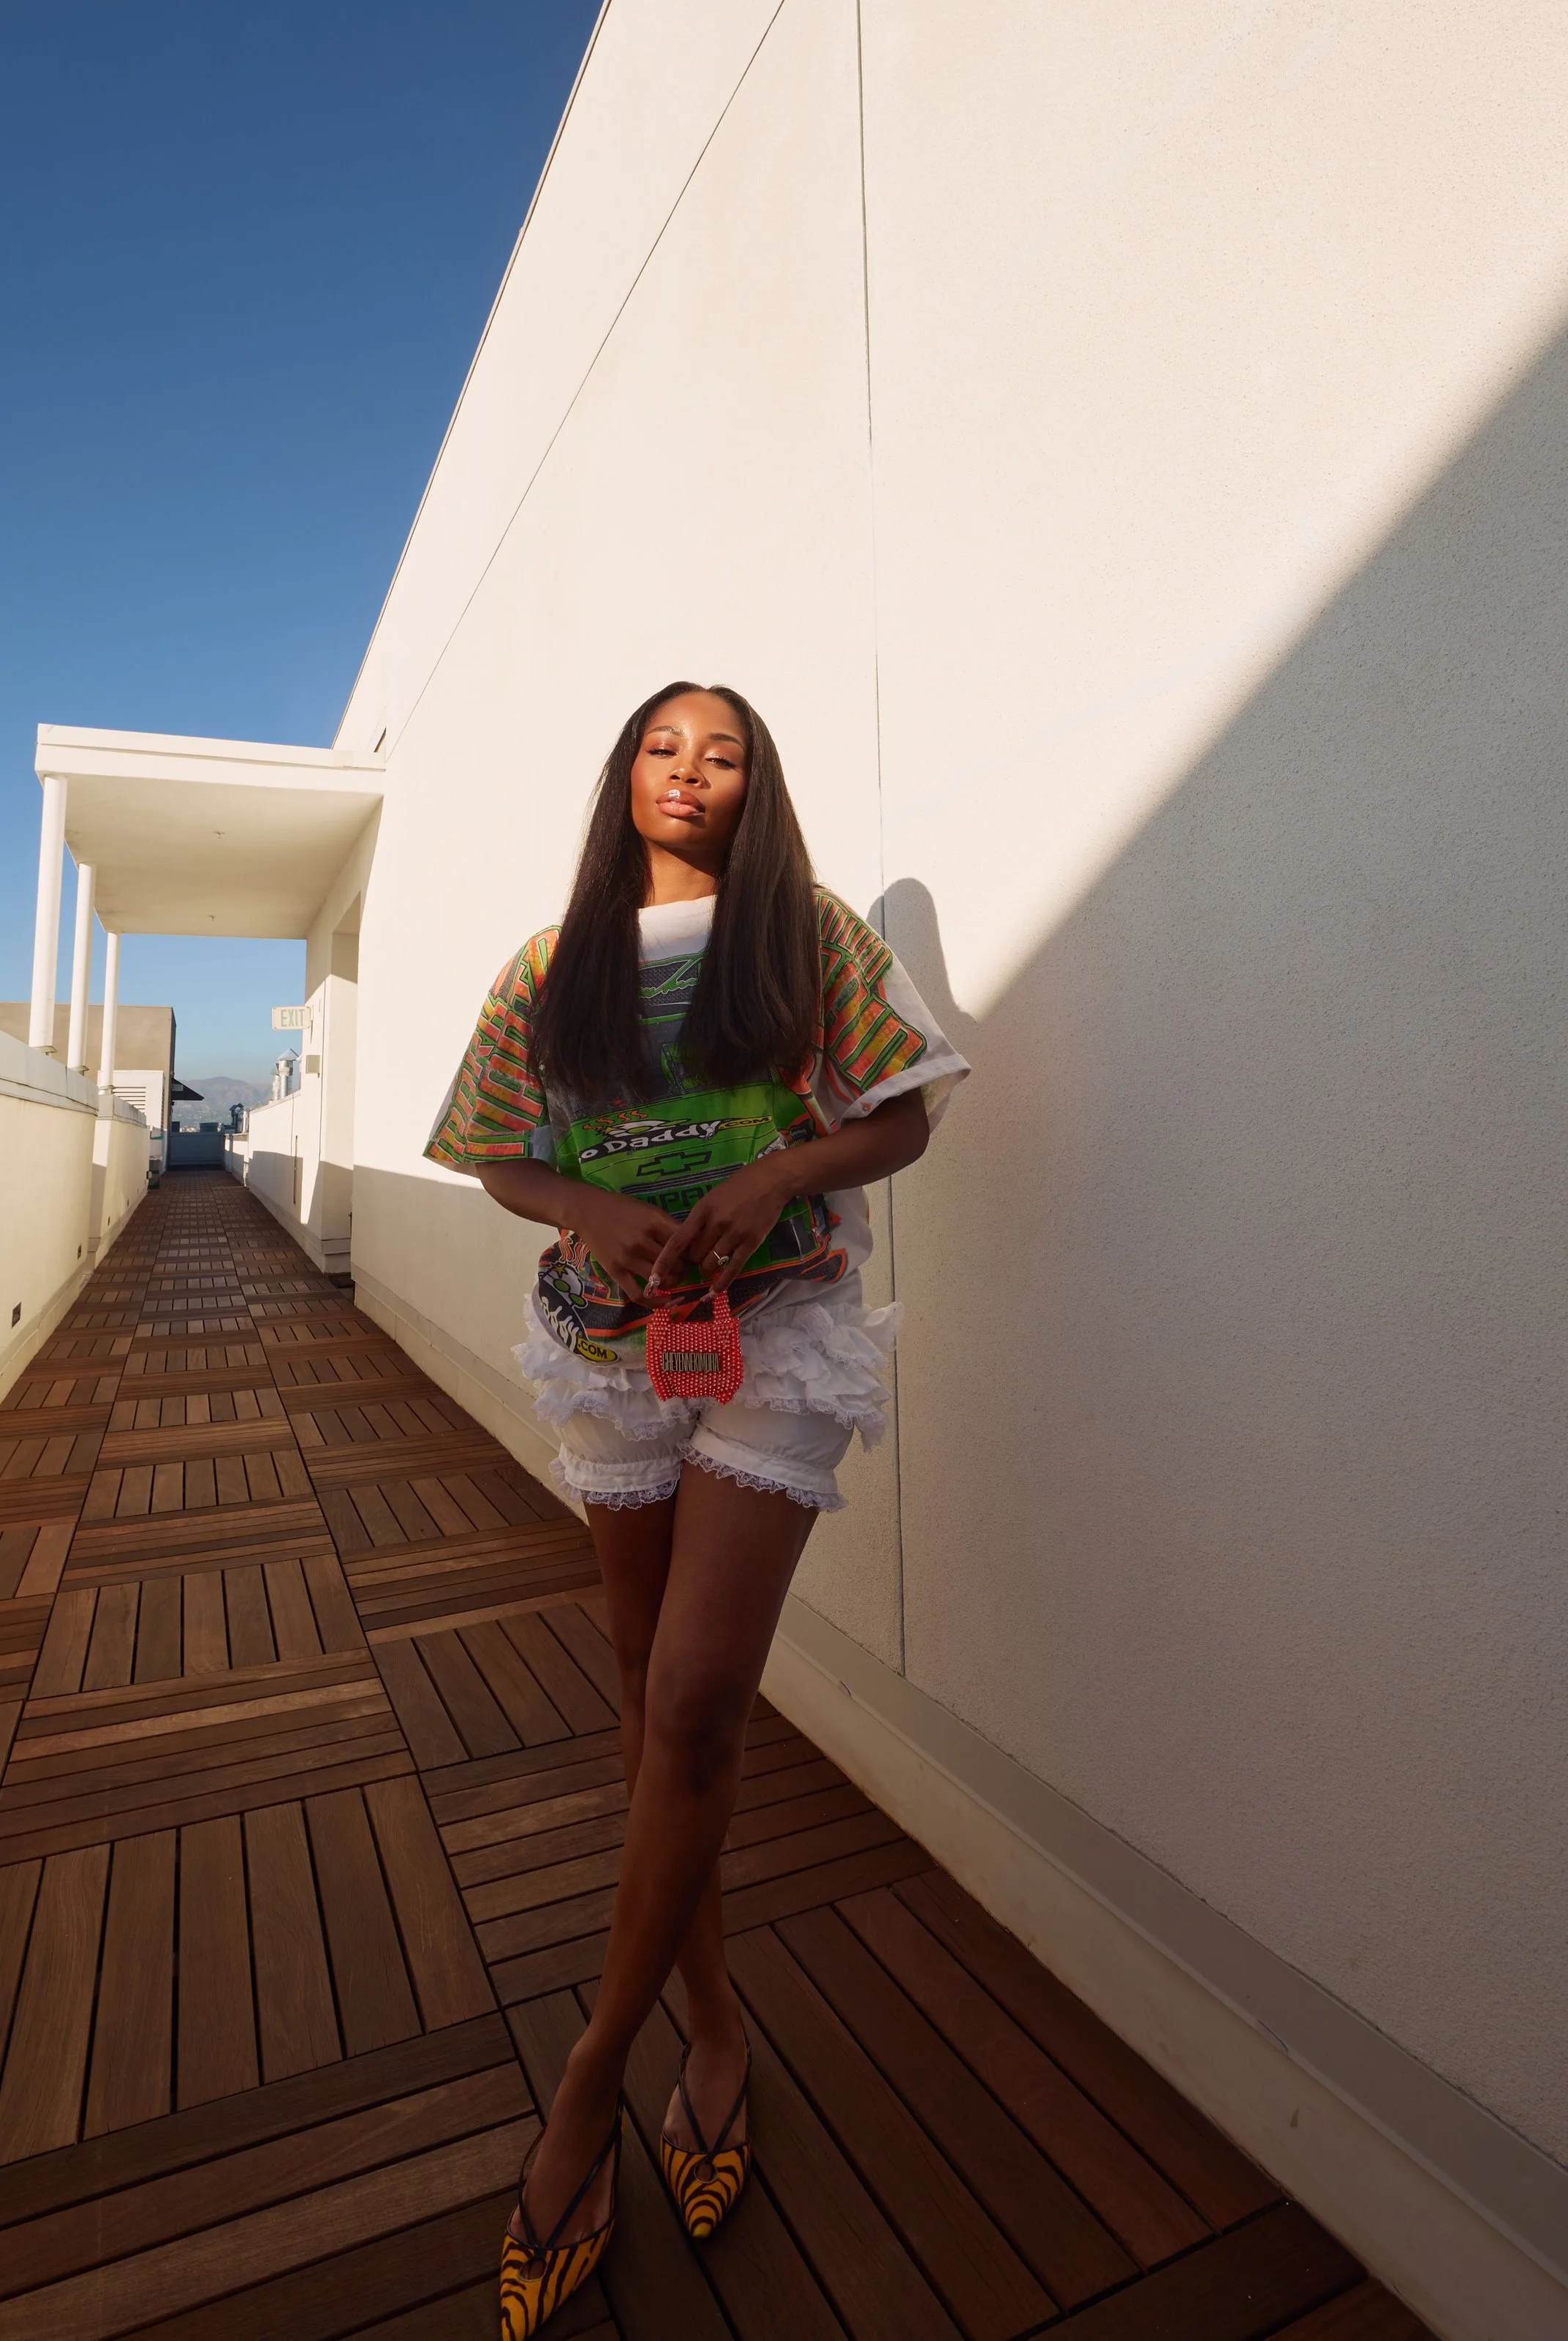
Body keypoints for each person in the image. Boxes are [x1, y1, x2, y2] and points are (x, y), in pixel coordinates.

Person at [426, 680, 966, 2337]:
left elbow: (900, 1113)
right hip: (611, 1344)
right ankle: (715, 2030)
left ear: (755, 787)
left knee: (695, 1702)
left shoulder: (800, 936)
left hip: (775, 1332)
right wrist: (586, 1203)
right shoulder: (553, 956)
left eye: (722, 753)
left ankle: (589, 2079)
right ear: (624, 777)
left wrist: (772, 1175)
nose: (691, 773)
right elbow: (496, 1150)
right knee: (653, 1715)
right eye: (665, 748)